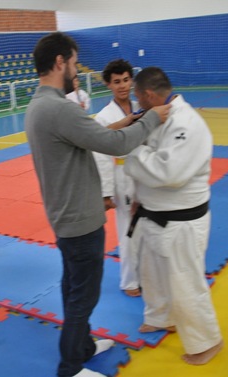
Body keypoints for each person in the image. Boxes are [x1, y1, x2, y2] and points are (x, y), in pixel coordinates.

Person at [25, 32, 170, 377]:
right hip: (79, 218)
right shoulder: (59, 108)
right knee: (83, 295)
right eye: (74, 63)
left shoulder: (38, 106)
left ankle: (83, 347)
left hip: (64, 214)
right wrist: (152, 118)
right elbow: (115, 145)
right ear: (60, 62)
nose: (76, 70)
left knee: (73, 286)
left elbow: (86, 134)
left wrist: (125, 122)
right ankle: (70, 367)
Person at [124, 67, 223, 366]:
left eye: (138, 96)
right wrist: (138, 197)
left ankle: (208, 340)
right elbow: (151, 157)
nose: (137, 102)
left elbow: (170, 172)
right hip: (152, 213)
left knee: (185, 282)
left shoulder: (187, 122)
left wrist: (130, 154)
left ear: (149, 94)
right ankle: (160, 317)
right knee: (152, 273)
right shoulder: (156, 117)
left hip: (182, 220)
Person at [93, 59, 142, 297]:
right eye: (116, 82)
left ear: (131, 80)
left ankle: (146, 274)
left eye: (125, 80)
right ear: (108, 85)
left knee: (148, 226)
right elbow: (100, 155)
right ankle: (130, 281)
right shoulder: (103, 117)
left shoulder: (140, 107)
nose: (122, 86)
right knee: (127, 229)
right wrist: (105, 192)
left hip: (145, 171)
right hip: (122, 174)